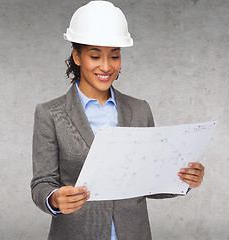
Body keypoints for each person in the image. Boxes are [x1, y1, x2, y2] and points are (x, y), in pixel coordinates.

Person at [30, 1, 205, 239]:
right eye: (95, 56)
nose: (106, 66)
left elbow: (148, 181)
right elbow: (42, 183)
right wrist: (55, 199)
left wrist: (184, 180)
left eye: (114, 56)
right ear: (77, 56)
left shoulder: (139, 110)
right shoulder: (50, 113)